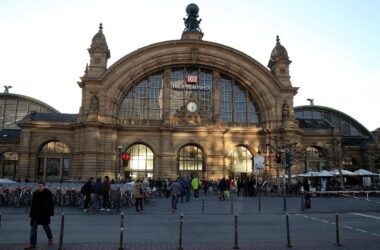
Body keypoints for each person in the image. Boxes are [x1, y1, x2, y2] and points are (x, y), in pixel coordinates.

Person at [25, 181, 54, 250]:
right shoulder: (35, 193)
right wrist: (31, 214)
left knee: (46, 227)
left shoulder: (48, 193)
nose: (39, 187)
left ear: (44, 186)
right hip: (35, 214)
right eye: (38, 186)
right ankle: (32, 244)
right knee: (33, 229)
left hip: (44, 214)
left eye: (40, 186)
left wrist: (50, 213)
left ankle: (50, 238)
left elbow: (51, 204)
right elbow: (33, 205)